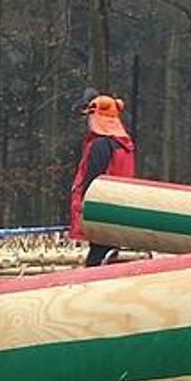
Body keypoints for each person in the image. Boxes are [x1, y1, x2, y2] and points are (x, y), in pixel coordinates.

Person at [68, 88, 136, 266]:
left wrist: (85, 209)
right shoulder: (123, 145)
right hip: (116, 214)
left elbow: (92, 184)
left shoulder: (100, 145)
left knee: (96, 262)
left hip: (100, 214)